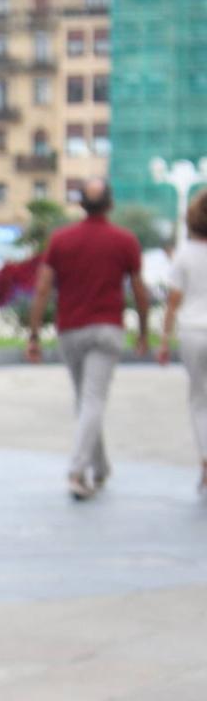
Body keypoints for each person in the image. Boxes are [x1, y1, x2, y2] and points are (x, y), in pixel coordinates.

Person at [26, 178, 150, 500]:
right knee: (91, 400)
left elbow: (42, 289)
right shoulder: (124, 241)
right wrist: (145, 331)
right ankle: (80, 471)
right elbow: (139, 289)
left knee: (86, 399)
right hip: (108, 328)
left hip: (71, 329)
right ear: (110, 204)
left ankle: (99, 467)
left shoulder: (61, 240)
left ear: (80, 204)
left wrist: (35, 332)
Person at [158, 188, 207, 494]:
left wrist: (163, 341)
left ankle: (205, 462)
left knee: (200, 400)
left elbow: (173, 302)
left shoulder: (185, 254)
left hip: (193, 332)